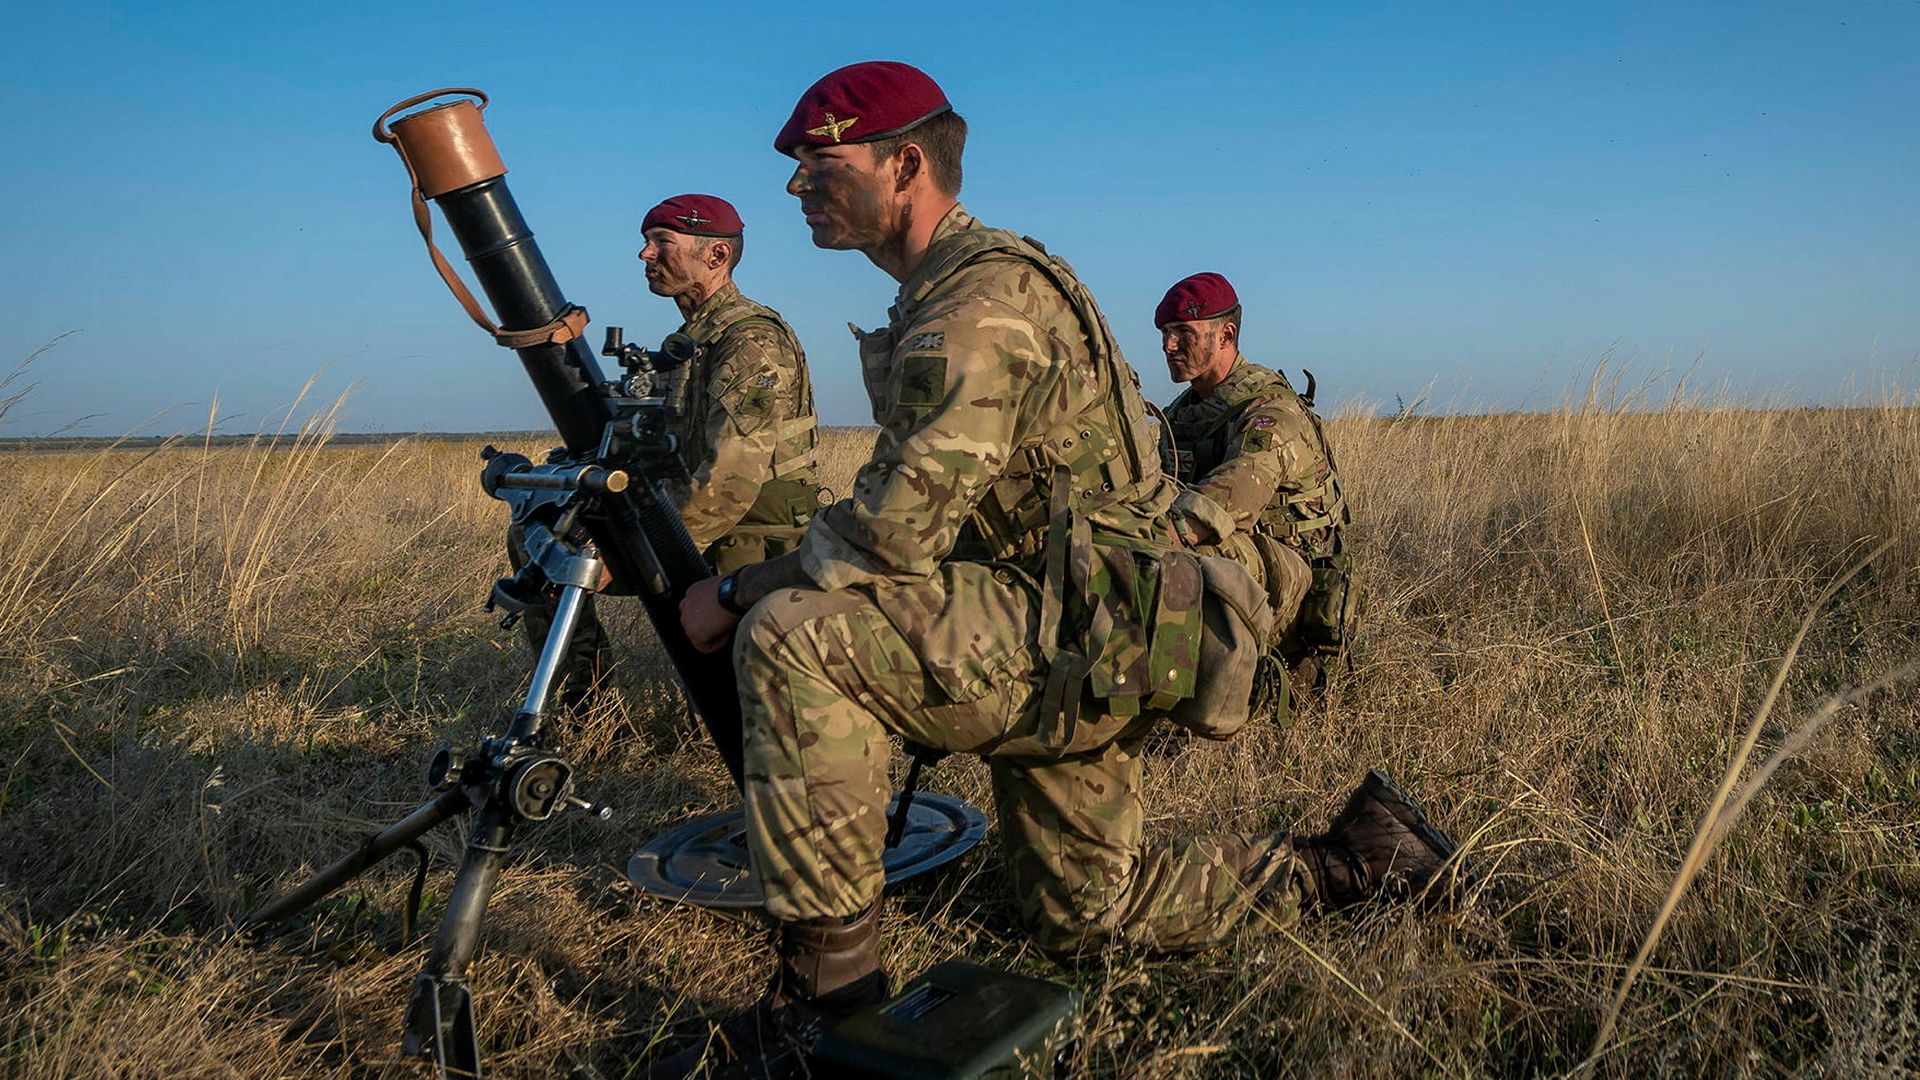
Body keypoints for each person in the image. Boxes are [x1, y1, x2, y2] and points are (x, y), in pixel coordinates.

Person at [660, 62, 1459, 1078]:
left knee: (792, 635)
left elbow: (890, 537)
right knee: (1085, 915)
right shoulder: (977, 285)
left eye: (821, 164)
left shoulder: (974, 304)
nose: (796, 189)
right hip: (1095, 624)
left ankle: (823, 1006)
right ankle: (1358, 862)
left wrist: (730, 590)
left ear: (906, 164)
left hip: (1076, 628)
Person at [509, 194, 822, 711]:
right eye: (646, 241)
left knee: (750, 702)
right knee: (539, 540)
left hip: (752, 534)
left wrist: (632, 549)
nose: (645, 255)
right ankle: (581, 706)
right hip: (696, 515)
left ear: (716, 256)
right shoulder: (692, 340)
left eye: (662, 243)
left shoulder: (748, 341)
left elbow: (728, 484)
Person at [1156, 272, 1358, 692]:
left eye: (1182, 333)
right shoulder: (1185, 412)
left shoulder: (1269, 412)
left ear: (1226, 334)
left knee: (1169, 555)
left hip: (1295, 583)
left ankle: (1186, 694)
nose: (1168, 346)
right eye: (1164, 333)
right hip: (1257, 571)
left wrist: (1139, 539)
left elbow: (1222, 506)